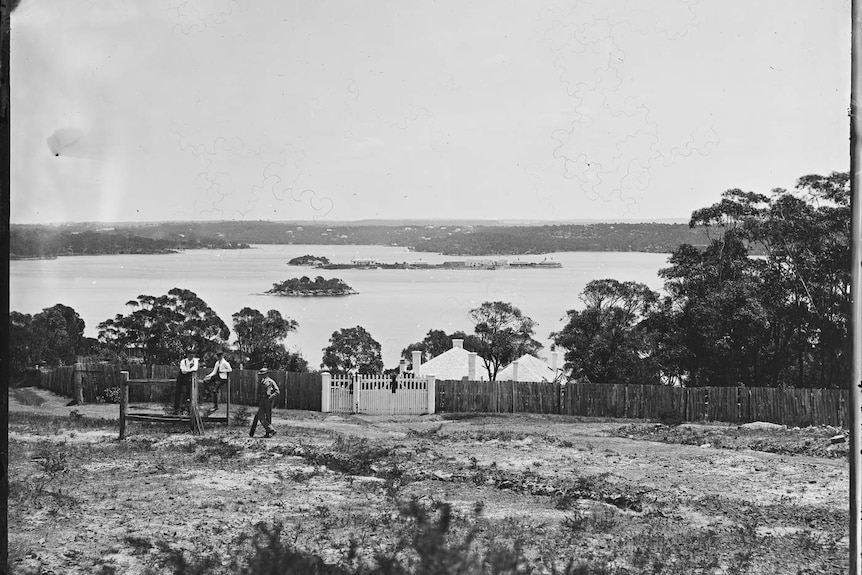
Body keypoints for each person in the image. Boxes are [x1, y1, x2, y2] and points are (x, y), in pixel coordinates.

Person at [250, 367, 279, 438]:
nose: (261, 376)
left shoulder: (271, 381)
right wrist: (259, 399)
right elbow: (258, 392)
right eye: (260, 374)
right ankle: (271, 429)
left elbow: (277, 391)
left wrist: (271, 398)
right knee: (260, 415)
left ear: (267, 374)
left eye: (263, 374)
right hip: (262, 400)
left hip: (268, 399)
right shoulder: (260, 382)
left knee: (268, 417)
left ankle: (268, 433)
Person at [173, 349, 198, 415]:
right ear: (187, 355)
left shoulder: (195, 361)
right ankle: (176, 408)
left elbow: (195, 368)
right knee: (178, 391)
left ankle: (187, 407)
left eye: (192, 356)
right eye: (190, 356)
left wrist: (188, 370)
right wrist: (189, 369)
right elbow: (183, 370)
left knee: (189, 391)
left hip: (189, 377)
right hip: (181, 377)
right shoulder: (183, 361)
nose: (191, 357)